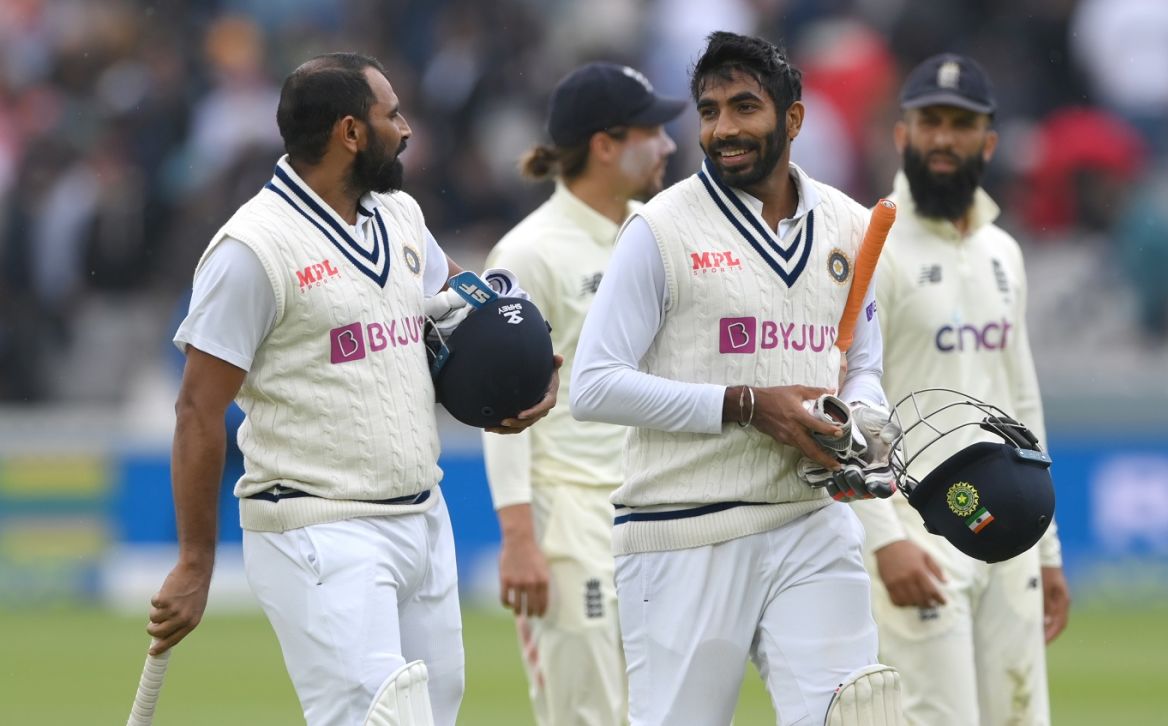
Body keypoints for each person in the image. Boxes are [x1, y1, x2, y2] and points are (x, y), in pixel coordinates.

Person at [142, 52, 558, 726]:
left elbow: (462, 302)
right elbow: (197, 410)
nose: (408, 129)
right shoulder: (251, 249)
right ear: (351, 132)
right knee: (381, 718)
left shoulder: (400, 215)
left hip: (423, 514)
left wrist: (527, 364)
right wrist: (195, 561)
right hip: (317, 526)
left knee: (433, 715)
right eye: (393, 115)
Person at [571, 32, 902, 726]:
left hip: (810, 520)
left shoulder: (849, 224)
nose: (723, 129)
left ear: (793, 118)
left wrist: (861, 420)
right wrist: (748, 405)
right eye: (710, 110)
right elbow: (594, 385)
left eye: (745, 107)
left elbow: (863, 366)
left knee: (856, 714)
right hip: (684, 529)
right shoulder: (659, 229)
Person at [850, 53, 1071, 726]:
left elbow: (1021, 400)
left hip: (1011, 530)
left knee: (1019, 717)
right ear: (902, 134)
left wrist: (1048, 548)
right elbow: (846, 401)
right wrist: (883, 540)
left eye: (961, 124)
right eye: (930, 122)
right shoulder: (871, 243)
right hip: (920, 527)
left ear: (989, 141)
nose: (943, 138)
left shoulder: (1003, 251)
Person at [481, 61, 684, 726]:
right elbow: (499, 405)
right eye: (652, 131)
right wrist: (519, 539)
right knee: (587, 715)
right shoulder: (529, 252)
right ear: (605, 145)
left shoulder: (659, 234)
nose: (669, 145)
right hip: (566, 518)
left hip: (656, 509)